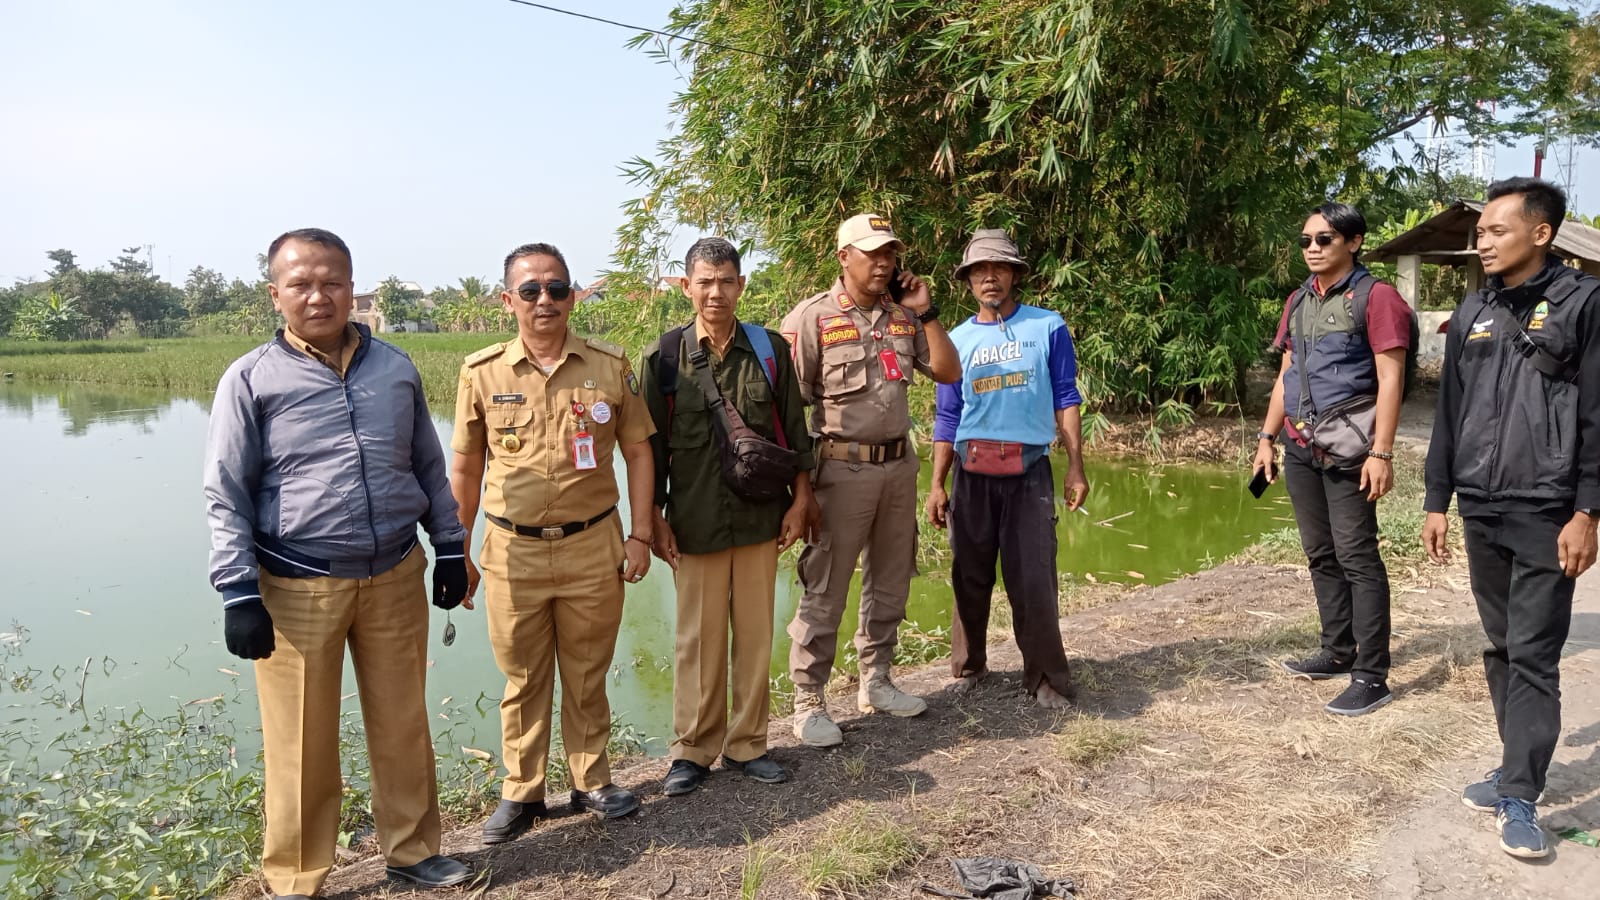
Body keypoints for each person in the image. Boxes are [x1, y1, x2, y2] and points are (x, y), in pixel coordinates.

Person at [203, 228, 472, 898]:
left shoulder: (396, 369)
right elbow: (225, 492)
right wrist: (238, 591)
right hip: (297, 584)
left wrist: (450, 546)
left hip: (395, 574)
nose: (317, 296)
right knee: (301, 741)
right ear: (276, 295)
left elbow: (428, 466)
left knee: (403, 724)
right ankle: (296, 876)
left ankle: (413, 852)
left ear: (353, 289)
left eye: (332, 282)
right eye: (300, 284)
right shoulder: (250, 379)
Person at [450, 242, 655, 844]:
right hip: (511, 550)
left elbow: (639, 451)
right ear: (507, 299)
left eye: (557, 288)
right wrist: (457, 549)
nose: (545, 300)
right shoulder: (482, 372)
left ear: (573, 295)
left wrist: (641, 533)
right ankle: (523, 791)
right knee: (522, 676)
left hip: (592, 544)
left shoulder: (608, 366)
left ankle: (592, 780)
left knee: (589, 671)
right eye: (531, 290)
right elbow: (465, 467)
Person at [1423, 177, 1600, 860]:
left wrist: (1588, 511)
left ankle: (1521, 794)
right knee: (1500, 645)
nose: (1483, 242)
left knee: (1534, 655)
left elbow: (1597, 417)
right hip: (1481, 505)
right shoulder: (1475, 308)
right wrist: (1437, 500)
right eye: (1481, 232)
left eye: (1497, 230)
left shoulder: (1584, 304)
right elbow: (1450, 412)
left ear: (1541, 233)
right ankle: (1512, 767)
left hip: (1548, 509)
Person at [641, 237, 819, 795]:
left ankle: (748, 744)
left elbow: (795, 433)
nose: (715, 292)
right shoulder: (662, 358)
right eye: (704, 282)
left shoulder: (769, 350)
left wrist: (802, 500)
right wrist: (651, 517)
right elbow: (649, 451)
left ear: (741, 285)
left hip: (761, 518)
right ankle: (693, 749)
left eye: (725, 281)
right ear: (686, 287)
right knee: (697, 640)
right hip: (694, 522)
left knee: (756, 635)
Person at [780, 213, 962, 747]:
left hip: (898, 468)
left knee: (891, 578)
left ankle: (876, 681)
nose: (883, 263)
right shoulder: (813, 317)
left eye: (889, 254)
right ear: (844, 257)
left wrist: (927, 311)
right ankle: (808, 701)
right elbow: (787, 409)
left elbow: (948, 371)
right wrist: (800, 488)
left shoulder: (904, 316)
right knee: (826, 585)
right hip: (841, 469)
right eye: (872, 253)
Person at [1251, 202, 1411, 717]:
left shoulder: (1376, 297)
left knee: (1357, 557)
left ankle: (1372, 675)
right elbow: (1287, 374)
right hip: (1300, 447)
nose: (1313, 248)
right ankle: (1338, 651)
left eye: (1324, 239)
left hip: (1351, 450)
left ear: (1354, 242)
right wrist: (1266, 438)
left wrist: (1381, 451)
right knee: (1320, 553)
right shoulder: (1299, 299)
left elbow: (1391, 379)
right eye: (1306, 241)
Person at [926, 229, 1086, 710]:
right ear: (968, 280)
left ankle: (1046, 677)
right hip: (971, 471)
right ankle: (969, 667)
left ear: (1015, 275)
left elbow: (1066, 396)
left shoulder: (1048, 326)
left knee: (1033, 577)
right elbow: (947, 416)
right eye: (979, 270)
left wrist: (1076, 467)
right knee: (968, 574)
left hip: (1029, 470)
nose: (989, 277)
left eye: (999, 268)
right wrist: (936, 483)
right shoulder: (955, 340)